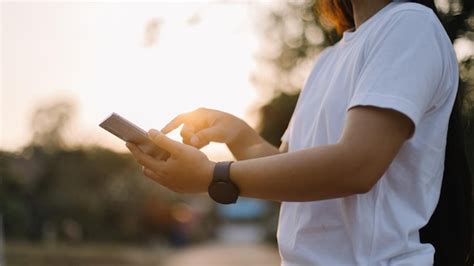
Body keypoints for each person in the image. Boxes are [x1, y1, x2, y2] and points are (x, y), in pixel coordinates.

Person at [126, 0, 469, 264]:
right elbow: (292, 170)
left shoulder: (410, 25)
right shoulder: (328, 60)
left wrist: (213, 176)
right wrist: (239, 136)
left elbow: (356, 165)